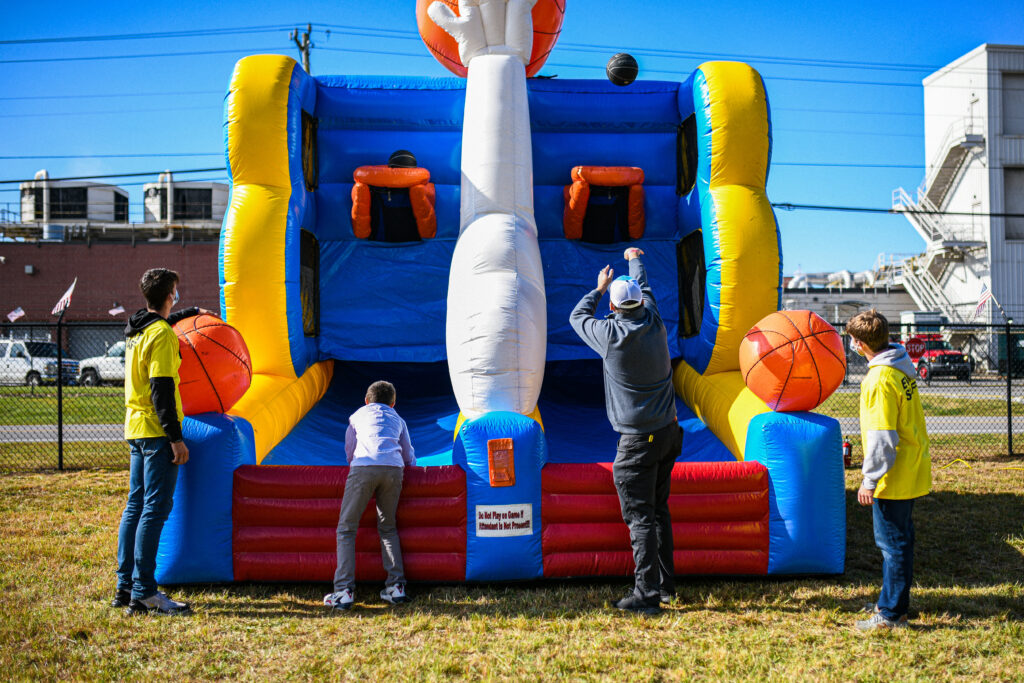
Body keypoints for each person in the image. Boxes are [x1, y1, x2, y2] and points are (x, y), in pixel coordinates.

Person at [570, 247, 682, 615]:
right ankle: (666, 587)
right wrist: (635, 259)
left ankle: (647, 596)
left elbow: (577, 316)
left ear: (615, 309)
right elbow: (646, 287)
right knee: (658, 510)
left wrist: (599, 288)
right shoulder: (655, 320)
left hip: (638, 442)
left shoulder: (610, 335)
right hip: (667, 432)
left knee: (640, 519)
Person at [114, 268, 212, 615]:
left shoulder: (137, 330)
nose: (178, 297)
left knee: (135, 507)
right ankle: (145, 592)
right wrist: (176, 439)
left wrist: (192, 313)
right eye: (177, 292)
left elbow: (160, 320)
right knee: (153, 511)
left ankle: (124, 588)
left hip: (136, 429)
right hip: (158, 433)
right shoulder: (164, 337)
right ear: (170, 293)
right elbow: (162, 389)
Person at [847, 309, 931, 631]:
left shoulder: (879, 381)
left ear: (860, 343)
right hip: (908, 469)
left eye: (852, 340)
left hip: (892, 476)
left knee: (892, 545)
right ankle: (891, 601)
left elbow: (882, 436)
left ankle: (892, 614)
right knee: (901, 541)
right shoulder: (899, 368)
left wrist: (869, 480)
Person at [324, 380, 416, 611]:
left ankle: (344, 590)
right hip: (394, 469)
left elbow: (350, 447)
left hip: (364, 466)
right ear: (393, 403)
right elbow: (408, 453)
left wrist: (354, 466)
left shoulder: (357, 415)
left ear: (366, 401)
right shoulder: (398, 419)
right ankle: (396, 586)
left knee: (346, 528)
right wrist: (410, 468)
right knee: (388, 528)